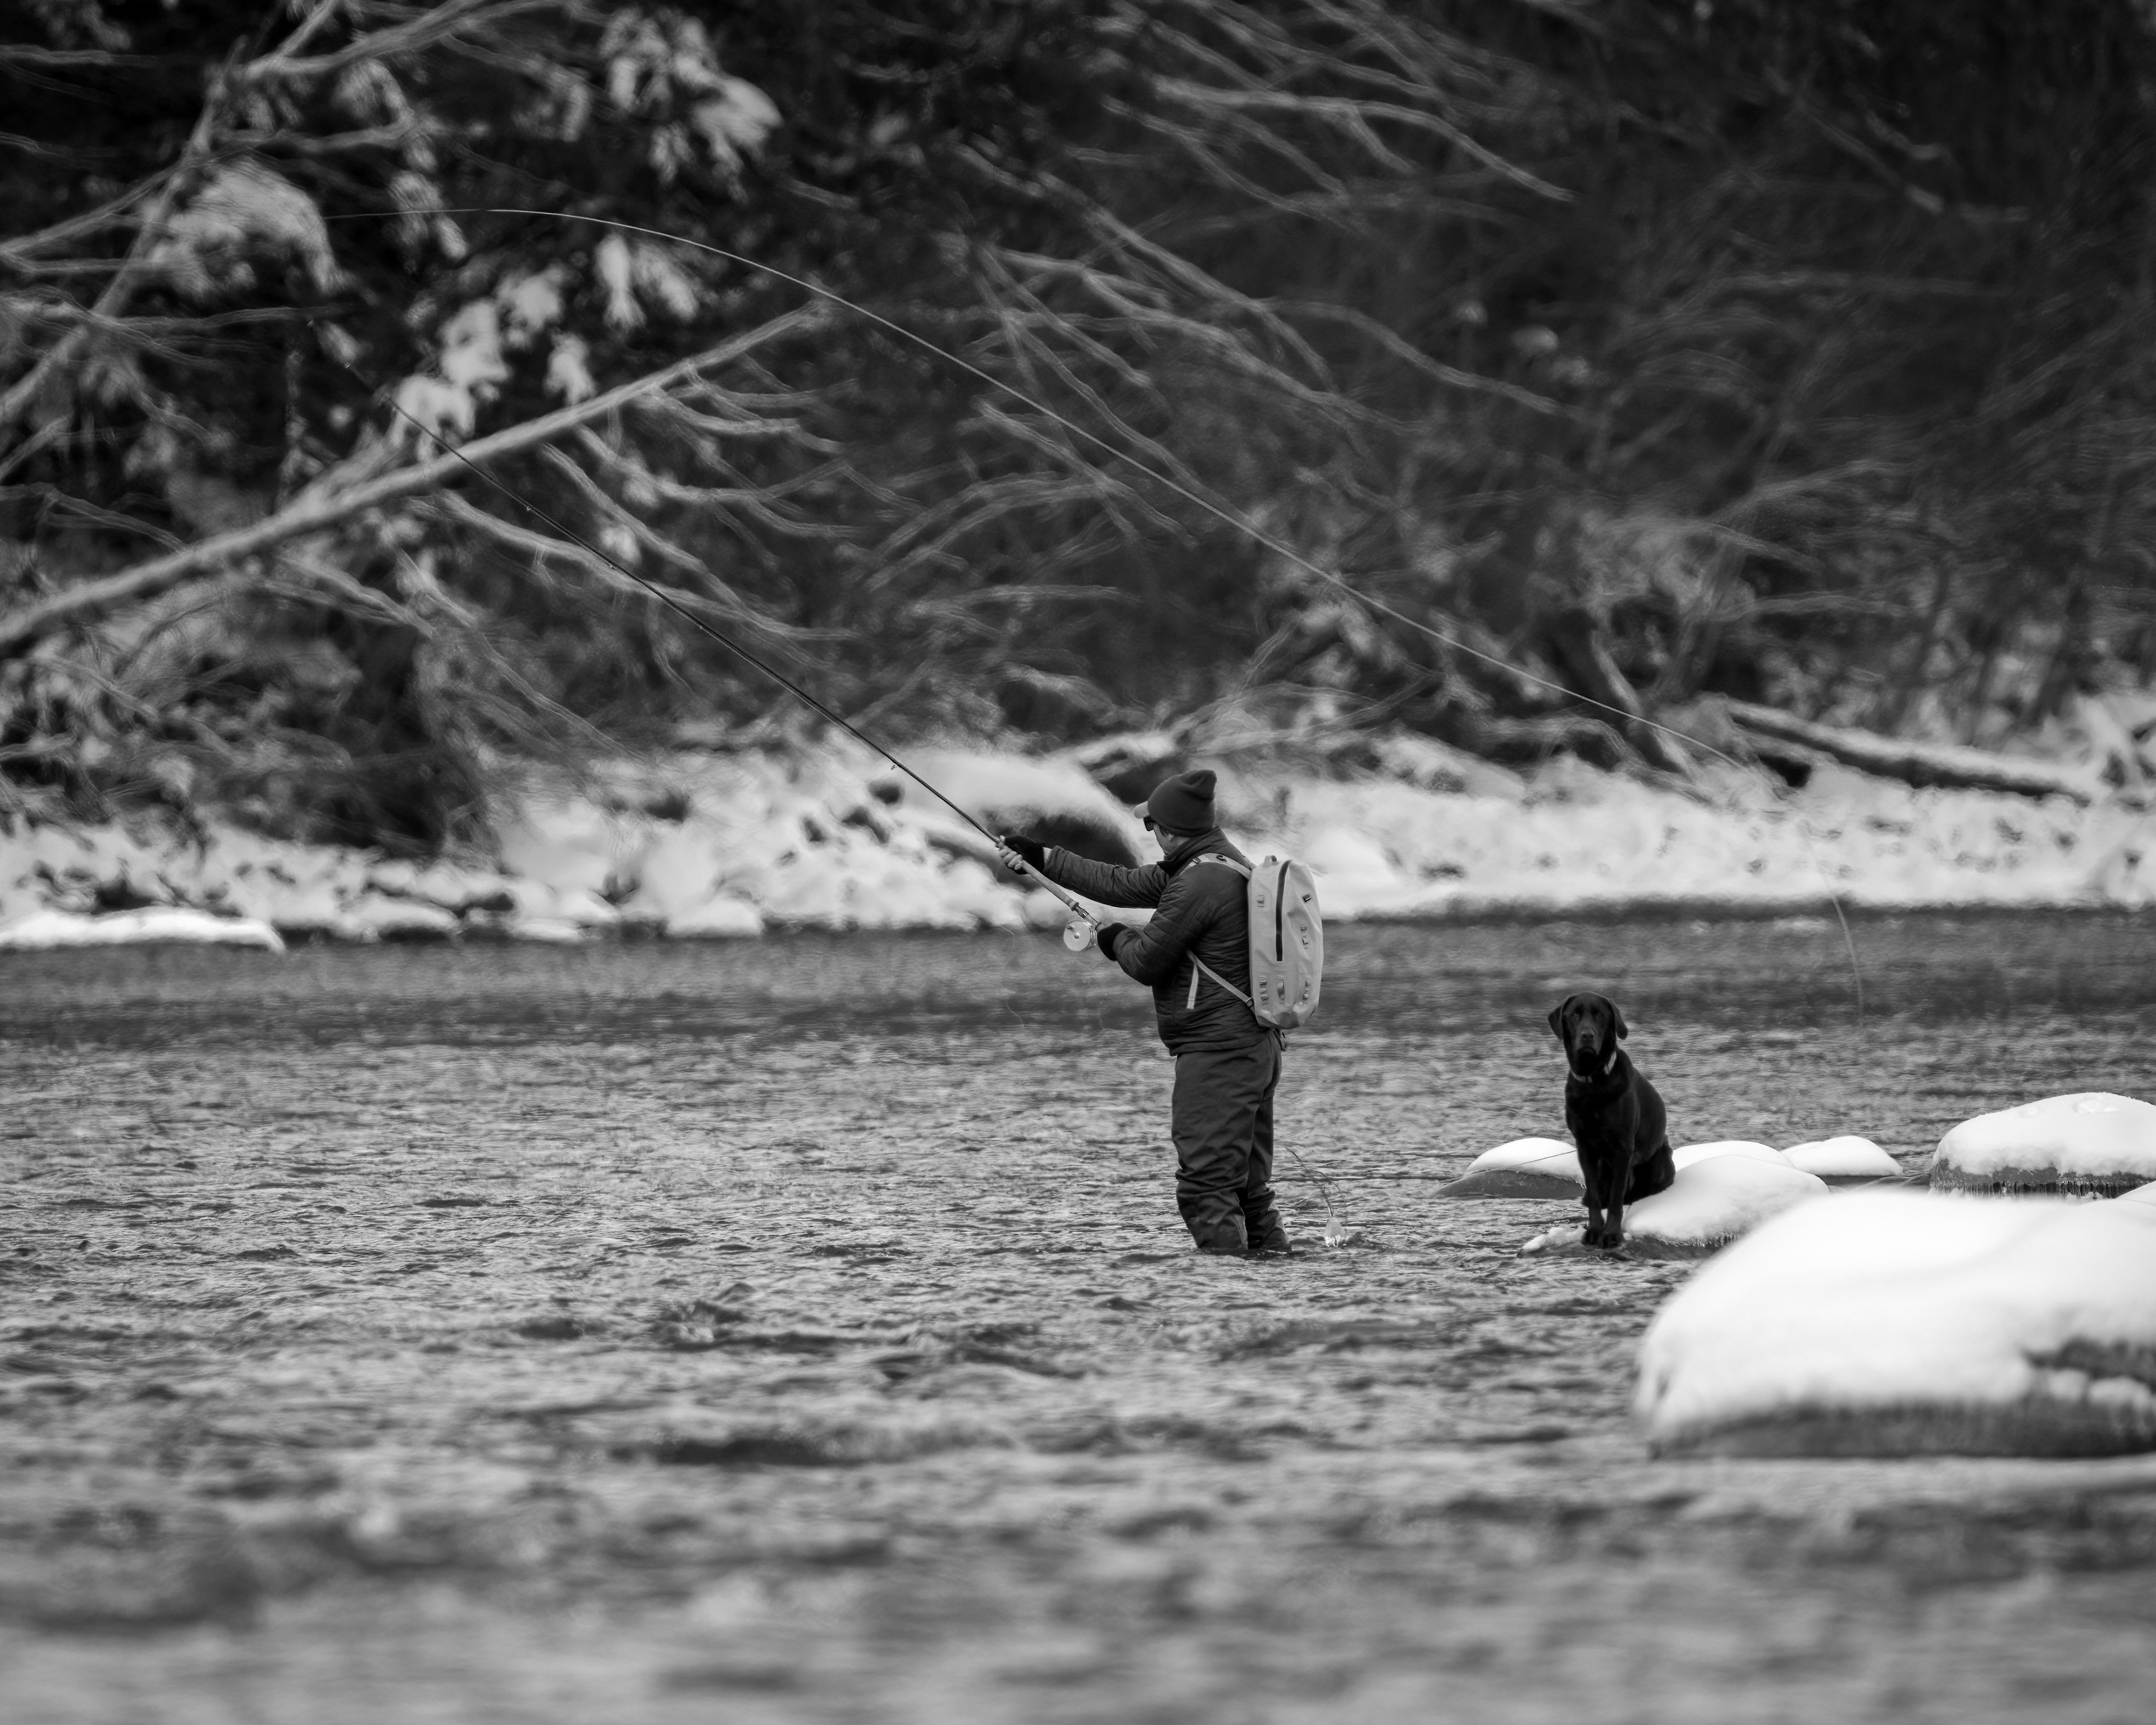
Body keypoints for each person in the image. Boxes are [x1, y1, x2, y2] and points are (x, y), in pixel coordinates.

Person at [999, 769, 1290, 1257]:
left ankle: (1226, 1302)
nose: (1150, 836)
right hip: (1252, 1046)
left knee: (1206, 1188)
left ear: (1171, 830)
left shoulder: (1201, 882)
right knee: (1245, 1189)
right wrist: (1043, 858)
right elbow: (1121, 883)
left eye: (1152, 827)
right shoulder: (1217, 863)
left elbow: (1146, 962)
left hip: (1219, 1054)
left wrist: (1112, 939)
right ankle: (1274, 1281)